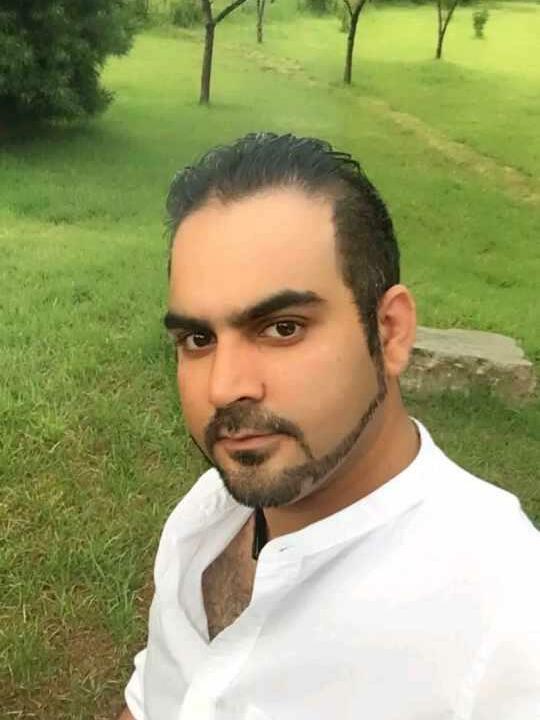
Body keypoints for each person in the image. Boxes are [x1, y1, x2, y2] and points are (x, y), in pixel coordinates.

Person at [118, 133, 540, 720]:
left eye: (282, 328)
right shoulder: (205, 518)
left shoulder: (508, 621)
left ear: (389, 332)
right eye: (198, 338)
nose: (224, 387)